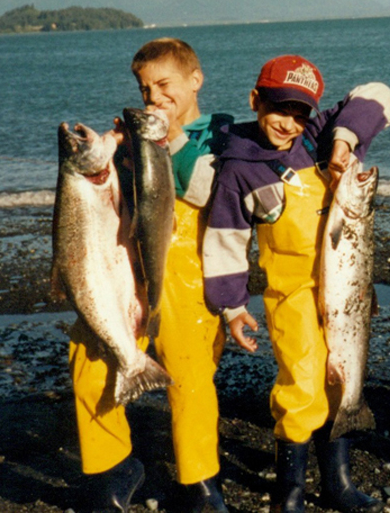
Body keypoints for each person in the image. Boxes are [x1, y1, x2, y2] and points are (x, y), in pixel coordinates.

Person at [202, 55, 390, 513]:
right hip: (292, 296)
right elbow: (226, 242)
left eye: (300, 112)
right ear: (255, 100)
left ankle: (338, 482)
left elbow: (380, 94)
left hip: (347, 292)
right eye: (278, 108)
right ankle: (288, 492)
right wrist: (231, 306)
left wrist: (344, 140)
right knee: (302, 385)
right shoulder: (239, 169)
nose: (289, 123)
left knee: (341, 379)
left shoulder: (317, 139)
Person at [69, 38, 234, 512]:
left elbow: (204, 188)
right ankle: (112, 467)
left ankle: (199, 480)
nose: (154, 97)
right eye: (144, 90)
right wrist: (113, 154)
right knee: (90, 355)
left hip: (189, 276)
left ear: (195, 80)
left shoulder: (219, 133)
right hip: (128, 269)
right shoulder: (135, 136)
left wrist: (160, 140)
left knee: (189, 374)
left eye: (164, 85)